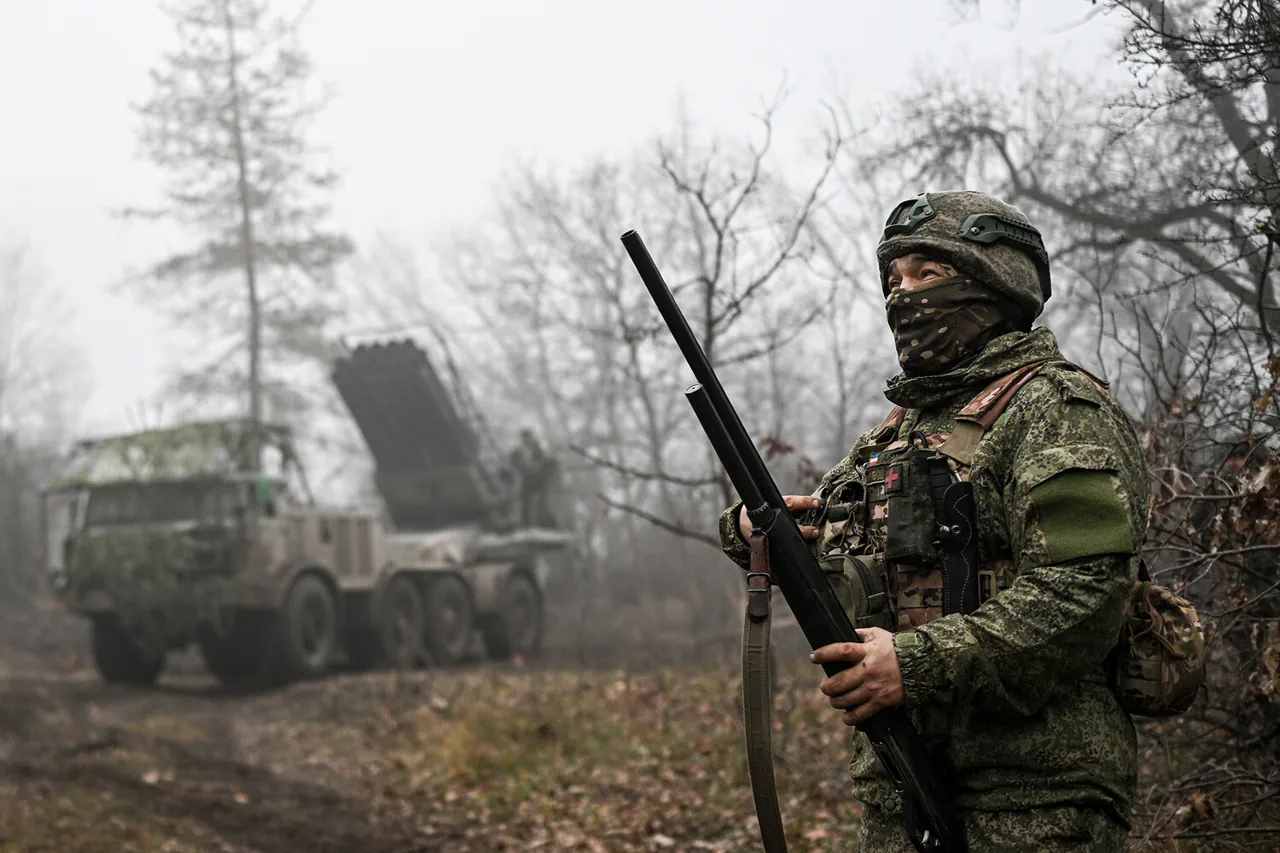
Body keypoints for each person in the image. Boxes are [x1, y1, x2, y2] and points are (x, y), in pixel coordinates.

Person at [717, 191, 1149, 852]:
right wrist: (751, 531)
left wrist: (914, 664)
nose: (902, 295)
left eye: (927, 274)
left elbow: (1083, 594)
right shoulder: (898, 431)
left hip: (1034, 795)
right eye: (894, 279)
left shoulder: (1057, 409)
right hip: (900, 783)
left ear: (993, 284)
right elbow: (819, 533)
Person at [509, 428, 558, 527]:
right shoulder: (518, 451)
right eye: (525, 438)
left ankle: (547, 523)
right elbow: (514, 462)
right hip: (527, 479)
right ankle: (526, 524)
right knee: (526, 502)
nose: (527, 440)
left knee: (543, 502)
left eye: (529, 437)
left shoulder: (539, 448)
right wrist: (522, 468)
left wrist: (539, 467)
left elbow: (547, 461)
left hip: (540, 480)